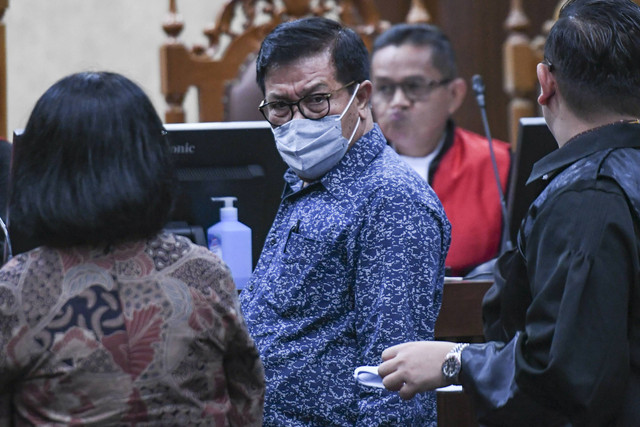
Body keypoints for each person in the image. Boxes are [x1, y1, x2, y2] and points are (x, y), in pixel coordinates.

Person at [377, 0, 640, 425]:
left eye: (415, 86)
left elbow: (568, 374)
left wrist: (455, 359)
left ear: (545, 83)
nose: (399, 103)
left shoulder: (586, 196)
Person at [0, 71, 265, 425]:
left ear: (38, 170)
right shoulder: (204, 271)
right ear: (153, 162)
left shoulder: (16, 289)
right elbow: (246, 402)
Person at [239, 17, 451, 426]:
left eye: (317, 100)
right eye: (281, 107)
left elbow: (392, 384)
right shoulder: (309, 180)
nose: (299, 121)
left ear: (361, 96)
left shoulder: (390, 199)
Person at [370, 23, 511, 277]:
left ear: (454, 94)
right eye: (385, 88)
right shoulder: (351, 172)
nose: (398, 102)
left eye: (415, 86)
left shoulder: (501, 165)